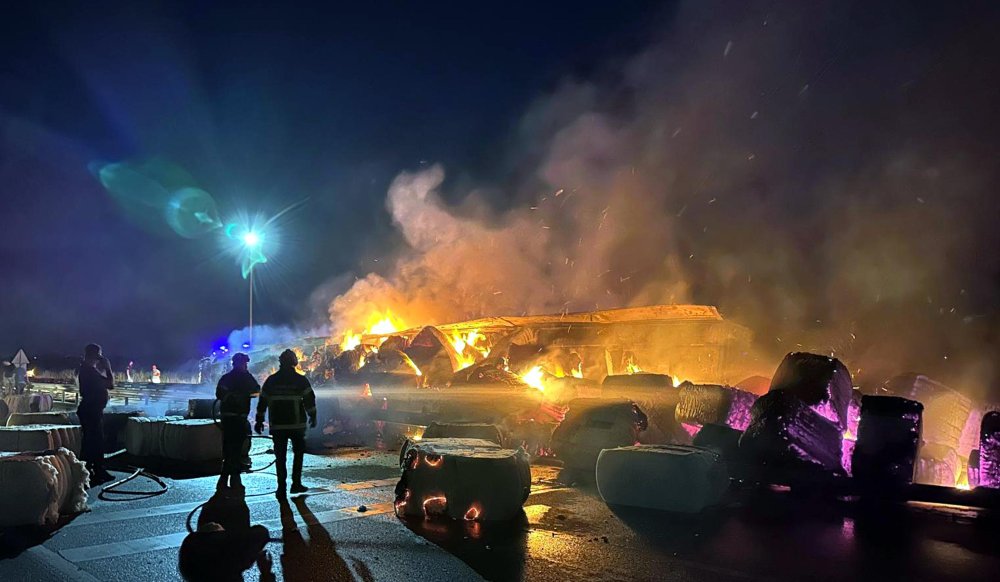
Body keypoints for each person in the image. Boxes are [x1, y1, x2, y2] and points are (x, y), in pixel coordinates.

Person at [255, 349, 316, 496]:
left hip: (278, 425)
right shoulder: (300, 380)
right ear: (294, 362)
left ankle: (281, 487)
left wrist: (259, 420)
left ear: (281, 362)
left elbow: (262, 402)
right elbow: (309, 400)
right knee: (298, 454)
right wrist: (313, 416)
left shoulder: (271, 380)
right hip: (297, 425)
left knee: (280, 456)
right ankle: (296, 484)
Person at [215, 352, 260, 492]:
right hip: (236, 418)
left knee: (230, 445)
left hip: (231, 418)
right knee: (235, 446)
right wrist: (240, 395)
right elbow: (256, 391)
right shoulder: (244, 378)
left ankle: (227, 474)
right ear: (239, 363)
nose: (246, 365)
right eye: (244, 363)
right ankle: (232, 475)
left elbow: (257, 391)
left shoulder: (228, 378)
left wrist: (240, 394)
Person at [77, 343, 114, 484]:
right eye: (98, 356)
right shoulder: (89, 371)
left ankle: (92, 469)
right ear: (93, 356)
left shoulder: (88, 370)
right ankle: (94, 470)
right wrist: (108, 368)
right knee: (95, 440)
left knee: (91, 441)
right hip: (91, 410)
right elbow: (110, 384)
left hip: (91, 409)